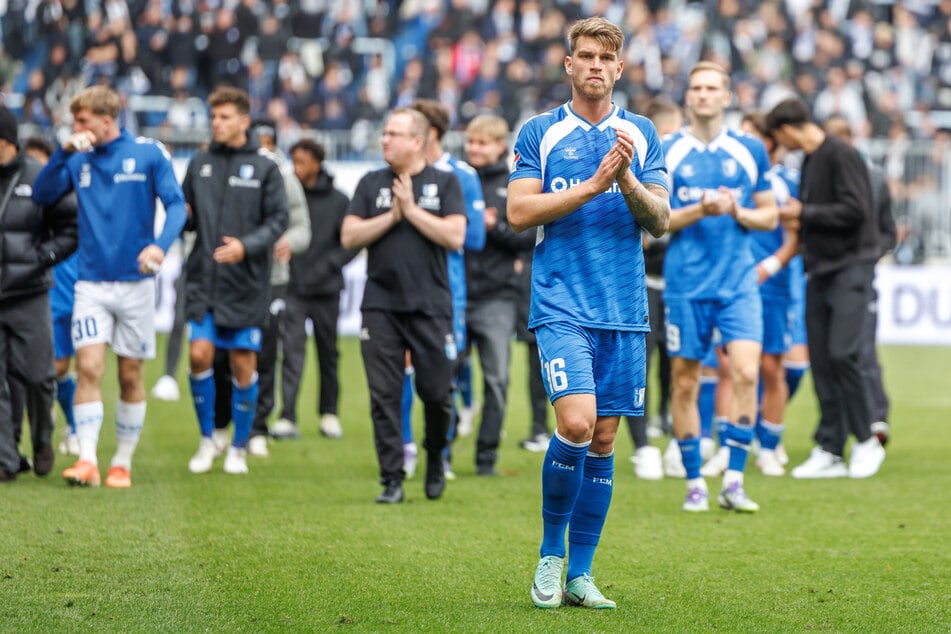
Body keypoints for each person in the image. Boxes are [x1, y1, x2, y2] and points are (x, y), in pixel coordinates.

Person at [508, 17, 670, 609]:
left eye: (607, 57)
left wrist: (625, 177)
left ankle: (580, 574)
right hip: (561, 304)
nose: (596, 65)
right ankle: (551, 556)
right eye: (585, 55)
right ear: (568, 66)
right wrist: (592, 183)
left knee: (603, 441)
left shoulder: (642, 133)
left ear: (620, 68)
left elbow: (660, 220)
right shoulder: (540, 133)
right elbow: (520, 213)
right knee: (575, 423)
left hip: (624, 309)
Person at [32, 86, 187, 488]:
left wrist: (160, 245)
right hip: (92, 282)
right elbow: (42, 194)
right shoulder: (77, 157)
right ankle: (86, 459)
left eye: (82, 121)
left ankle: (121, 460)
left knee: (131, 374)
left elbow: (176, 205)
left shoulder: (149, 153)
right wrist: (64, 150)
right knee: (88, 367)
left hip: (136, 284)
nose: (76, 127)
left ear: (106, 120)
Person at [662, 62, 778, 512]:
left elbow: (770, 214)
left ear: (727, 97)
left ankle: (733, 478)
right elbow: (657, 219)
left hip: (738, 282)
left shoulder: (750, 149)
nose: (704, 95)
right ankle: (694, 481)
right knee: (686, 383)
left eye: (712, 88)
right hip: (686, 283)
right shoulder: (668, 149)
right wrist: (701, 211)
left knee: (747, 372)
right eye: (696, 88)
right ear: (688, 97)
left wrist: (737, 212)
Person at [341, 107, 466, 504]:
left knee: (436, 393)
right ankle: (391, 478)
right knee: (384, 395)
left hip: (431, 305)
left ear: (418, 141)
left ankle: (433, 455)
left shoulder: (445, 183)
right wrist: (392, 216)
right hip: (380, 306)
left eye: (393, 133)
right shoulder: (371, 182)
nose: (384, 140)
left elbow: (455, 236)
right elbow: (349, 236)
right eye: (384, 133)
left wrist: (412, 211)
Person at [765, 98, 886, 479]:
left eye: (780, 140)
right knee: (821, 358)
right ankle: (830, 448)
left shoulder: (841, 153)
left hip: (851, 268)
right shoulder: (812, 160)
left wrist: (804, 212)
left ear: (786, 130)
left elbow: (856, 210)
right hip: (819, 271)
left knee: (844, 353)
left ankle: (866, 440)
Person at [181, 86, 289, 476]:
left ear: (244, 121)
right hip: (205, 281)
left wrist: (247, 246)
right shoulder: (200, 163)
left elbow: (279, 220)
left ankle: (239, 447)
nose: (216, 123)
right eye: (213, 117)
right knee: (199, 355)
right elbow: (187, 213)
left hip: (246, 283)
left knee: (243, 365)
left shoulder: (265, 168)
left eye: (224, 117)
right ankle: (209, 438)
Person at [209, 117, 310, 458]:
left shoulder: (283, 176)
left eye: (268, 141)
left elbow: (301, 227)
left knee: (265, 354)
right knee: (222, 355)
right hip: (231, 278)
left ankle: (256, 428)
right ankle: (221, 423)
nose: (262, 147)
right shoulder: (224, 170)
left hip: (273, 279)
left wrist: (289, 243)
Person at [407, 98, 486, 474]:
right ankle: (406, 448)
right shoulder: (395, 173)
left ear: (429, 134)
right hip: (400, 286)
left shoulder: (461, 176)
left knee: (442, 374)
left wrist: (423, 221)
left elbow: (474, 239)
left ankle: (443, 453)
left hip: (445, 289)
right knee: (401, 370)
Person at [0, 106, 78, 482]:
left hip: (29, 291)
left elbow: (71, 228)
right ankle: (5, 458)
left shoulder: (40, 178)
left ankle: (43, 438)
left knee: (39, 376)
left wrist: (42, 258)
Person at [462, 113, 536, 471]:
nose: (475, 149)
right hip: (454, 294)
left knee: (497, 379)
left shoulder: (513, 185)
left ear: (500, 147)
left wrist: (494, 227)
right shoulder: (453, 180)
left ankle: (486, 456)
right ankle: (438, 454)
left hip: (498, 297)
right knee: (440, 378)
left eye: (483, 143)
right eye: (471, 142)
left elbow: (526, 238)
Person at [823, 115, 896, 448]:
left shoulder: (876, 179)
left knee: (861, 350)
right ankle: (842, 426)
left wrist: (866, 257)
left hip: (860, 276)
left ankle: (876, 419)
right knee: (834, 354)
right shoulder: (822, 177)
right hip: (829, 276)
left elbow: (888, 233)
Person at [276, 138, 355, 440]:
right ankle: (287, 416)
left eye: (302, 161)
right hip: (294, 288)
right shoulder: (285, 198)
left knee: (329, 353)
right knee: (292, 353)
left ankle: (329, 413)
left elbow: (348, 244)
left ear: (317, 163)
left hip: (327, 290)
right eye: (293, 161)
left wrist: (327, 267)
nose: (296, 168)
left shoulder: (338, 200)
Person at [738, 110, 801, 477]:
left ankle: (769, 445)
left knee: (771, 366)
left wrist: (768, 268)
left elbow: (795, 238)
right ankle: (731, 442)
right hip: (733, 283)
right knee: (730, 366)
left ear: (770, 142)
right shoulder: (732, 175)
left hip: (771, 285)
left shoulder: (786, 181)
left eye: (752, 136)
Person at [626, 95, 683, 481]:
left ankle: (676, 433)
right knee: (639, 363)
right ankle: (643, 445)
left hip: (680, 282)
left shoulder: (688, 168)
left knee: (677, 362)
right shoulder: (637, 162)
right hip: (642, 281)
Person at [24, 136, 81, 457]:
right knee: (56, 366)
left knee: (78, 366)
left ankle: (76, 428)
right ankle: (68, 424)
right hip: (47, 289)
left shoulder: (66, 194)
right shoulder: (24, 200)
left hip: (79, 286)